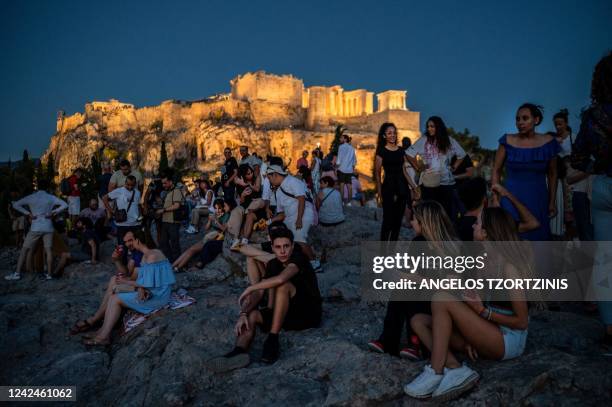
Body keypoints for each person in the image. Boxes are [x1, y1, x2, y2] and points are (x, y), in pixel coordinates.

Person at [404, 206, 531, 401]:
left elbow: (522, 322)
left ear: (486, 233)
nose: (473, 225)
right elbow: (470, 298)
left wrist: (483, 312)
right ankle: (455, 367)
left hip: (508, 339)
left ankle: (436, 370)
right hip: (487, 327)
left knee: (440, 298)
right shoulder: (482, 258)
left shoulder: (509, 268)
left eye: (478, 223)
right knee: (419, 321)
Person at [208, 227, 321, 371]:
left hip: (308, 314)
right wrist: (244, 313)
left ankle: (273, 339)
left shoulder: (298, 258)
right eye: (278, 247)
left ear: (292, 246)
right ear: (272, 248)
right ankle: (239, 351)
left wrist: (250, 288)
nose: (282, 251)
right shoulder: (274, 263)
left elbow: (281, 279)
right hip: (286, 313)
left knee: (282, 285)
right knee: (253, 315)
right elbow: (260, 292)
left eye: (286, 246)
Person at [368, 201, 455, 359]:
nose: (411, 222)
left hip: (443, 301)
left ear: (425, 223)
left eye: (414, 219)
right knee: (404, 287)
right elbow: (412, 270)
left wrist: (418, 279)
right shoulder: (419, 242)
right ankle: (396, 341)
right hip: (424, 293)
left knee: (410, 288)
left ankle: (410, 342)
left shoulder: (451, 247)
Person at [571, 51, 612, 344]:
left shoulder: (592, 116)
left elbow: (578, 157)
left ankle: (610, 324)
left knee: (605, 259)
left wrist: (597, 164)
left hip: (603, 186)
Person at [73, 230, 176, 346]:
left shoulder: (150, 256)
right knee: (114, 294)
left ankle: (103, 336)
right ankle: (101, 332)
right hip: (153, 292)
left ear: (137, 240)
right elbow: (145, 280)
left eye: (131, 240)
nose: (128, 244)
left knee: (115, 299)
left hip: (158, 297)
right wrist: (137, 286)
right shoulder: (149, 254)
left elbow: (148, 283)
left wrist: (126, 282)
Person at [492, 103, 560, 240]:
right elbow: (496, 170)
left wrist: (552, 201)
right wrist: (495, 199)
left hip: (538, 198)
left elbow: (553, 174)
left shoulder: (549, 142)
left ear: (536, 120)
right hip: (510, 197)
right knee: (512, 237)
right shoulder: (507, 141)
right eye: (517, 119)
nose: (520, 123)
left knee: (538, 237)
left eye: (525, 118)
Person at [5, 179, 68, 281]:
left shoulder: (32, 197)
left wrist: (28, 213)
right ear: (47, 187)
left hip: (35, 227)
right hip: (48, 227)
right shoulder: (50, 197)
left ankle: (17, 273)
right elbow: (65, 204)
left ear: (38, 187)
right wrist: (54, 212)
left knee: (24, 250)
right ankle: (49, 275)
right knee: (48, 250)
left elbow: (15, 205)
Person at [406, 116, 466, 220]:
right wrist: (418, 168)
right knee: (430, 214)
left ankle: (444, 235)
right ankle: (430, 235)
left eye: (432, 126)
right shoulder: (424, 140)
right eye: (428, 126)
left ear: (438, 127)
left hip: (446, 183)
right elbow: (409, 153)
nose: (429, 129)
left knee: (445, 214)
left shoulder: (449, 140)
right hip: (429, 183)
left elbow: (462, 155)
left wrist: (453, 167)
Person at [265, 164, 320, 271]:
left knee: (299, 239)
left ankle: (315, 263)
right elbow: (282, 214)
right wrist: (270, 221)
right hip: (289, 217)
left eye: (269, 178)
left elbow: (301, 199)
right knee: (280, 238)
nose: (269, 181)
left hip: (303, 214)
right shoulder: (279, 191)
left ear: (275, 175)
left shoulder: (292, 181)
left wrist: (299, 219)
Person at [375, 123, 420, 241]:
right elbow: (377, 172)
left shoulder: (401, 151)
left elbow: (404, 171)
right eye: (389, 133)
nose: (392, 135)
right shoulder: (381, 151)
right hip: (388, 187)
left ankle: (392, 251)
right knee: (387, 220)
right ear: (384, 136)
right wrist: (379, 192)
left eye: (394, 133)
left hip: (402, 187)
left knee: (398, 221)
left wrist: (414, 187)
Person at [173, 198, 230, 271]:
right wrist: (210, 220)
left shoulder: (226, 215)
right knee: (190, 249)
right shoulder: (215, 214)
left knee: (192, 250)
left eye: (219, 208)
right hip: (208, 236)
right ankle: (173, 266)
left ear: (223, 207)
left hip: (215, 238)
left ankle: (178, 268)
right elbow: (207, 228)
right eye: (216, 208)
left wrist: (216, 221)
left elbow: (224, 229)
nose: (217, 210)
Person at [103, 175, 141, 260]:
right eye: (128, 185)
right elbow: (104, 198)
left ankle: (135, 267)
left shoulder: (137, 192)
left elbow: (138, 205)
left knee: (136, 246)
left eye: (132, 185)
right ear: (125, 183)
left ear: (135, 184)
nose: (130, 187)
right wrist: (111, 211)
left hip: (135, 224)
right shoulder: (119, 191)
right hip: (122, 224)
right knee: (122, 247)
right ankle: (123, 268)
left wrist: (140, 216)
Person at [157, 171, 185, 263]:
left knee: (174, 244)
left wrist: (163, 210)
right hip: (165, 221)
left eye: (165, 183)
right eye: (162, 183)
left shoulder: (176, 191)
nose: (163, 185)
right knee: (163, 243)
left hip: (173, 222)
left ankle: (178, 264)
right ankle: (171, 261)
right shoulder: (168, 192)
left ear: (170, 182)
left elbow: (177, 206)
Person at [336, 134, 357, 205]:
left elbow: (339, 159)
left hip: (341, 169)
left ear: (345, 139)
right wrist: (352, 168)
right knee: (349, 186)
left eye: (341, 138)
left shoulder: (341, 147)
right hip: (349, 170)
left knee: (341, 185)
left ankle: (341, 201)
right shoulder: (352, 148)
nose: (340, 139)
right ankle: (349, 202)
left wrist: (336, 168)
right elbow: (354, 160)